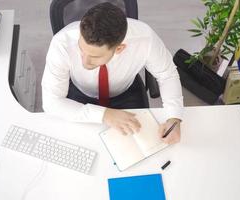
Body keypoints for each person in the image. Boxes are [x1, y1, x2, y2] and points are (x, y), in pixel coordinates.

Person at [42, 2, 183, 144]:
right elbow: (51, 102)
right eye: (81, 49)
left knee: (142, 144)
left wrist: (174, 117)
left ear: (119, 48)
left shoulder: (145, 39)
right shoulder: (62, 42)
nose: (84, 62)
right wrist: (104, 114)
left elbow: (167, 74)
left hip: (126, 93)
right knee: (81, 142)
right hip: (80, 94)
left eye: (95, 57)